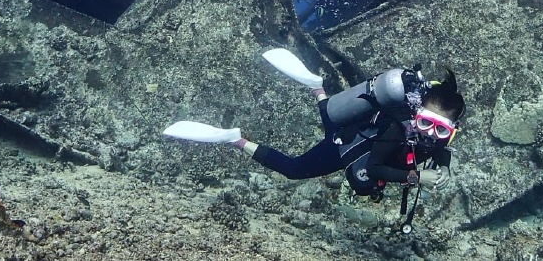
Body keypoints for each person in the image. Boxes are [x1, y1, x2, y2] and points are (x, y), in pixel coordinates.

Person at [164, 49, 465, 205]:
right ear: (417, 115)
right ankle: (233, 139)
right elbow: (373, 169)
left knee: (331, 121)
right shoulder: (398, 130)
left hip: (348, 131)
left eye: (440, 130)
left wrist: (446, 167)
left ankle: (317, 87)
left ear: (451, 129)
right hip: (350, 147)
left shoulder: (436, 136)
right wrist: (416, 177)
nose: (430, 134)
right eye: (426, 124)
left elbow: (442, 150)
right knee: (295, 169)